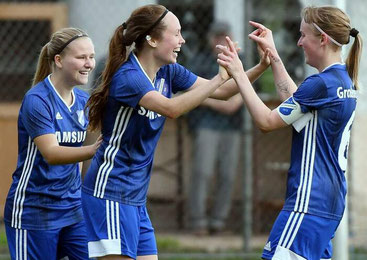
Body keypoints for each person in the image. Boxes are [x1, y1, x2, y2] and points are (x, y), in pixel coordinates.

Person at [82, 4, 269, 260]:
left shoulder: (168, 72)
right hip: (110, 193)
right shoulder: (129, 77)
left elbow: (224, 93)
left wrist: (261, 65)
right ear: (152, 39)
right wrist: (219, 78)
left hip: (135, 198)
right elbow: (171, 108)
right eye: (177, 33)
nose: (182, 40)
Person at [217, 5, 362, 260]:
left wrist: (239, 74)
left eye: (303, 35)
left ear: (323, 39)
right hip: (328, 204)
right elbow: (296, 102)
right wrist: (273, 55)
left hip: (307, 205)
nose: (299, 42)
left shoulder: (320, 84)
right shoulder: (342, 81)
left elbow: (266, 121)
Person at [3, 27, 102, 259]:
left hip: (71, 208)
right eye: (81, 57)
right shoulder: (37, 100)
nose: (89, 64)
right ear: (58, 60)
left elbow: (75, 155)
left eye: (91, 56)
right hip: (34, 210)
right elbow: (52, 153)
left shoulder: (82, 101)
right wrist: (95, 150)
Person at [187, 21, 245, 235]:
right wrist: (221, 102)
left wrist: (210, 98)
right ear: (211, 40)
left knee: (228, 175)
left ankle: (218, 221)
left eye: (224, 37)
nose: (220, 41)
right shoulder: (200, 61)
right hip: (206, 125)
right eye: (217, 37)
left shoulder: (241, 60)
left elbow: (238, 99)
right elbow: (190, 93)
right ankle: (198, 220)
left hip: (233, 127)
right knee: (203, 172)